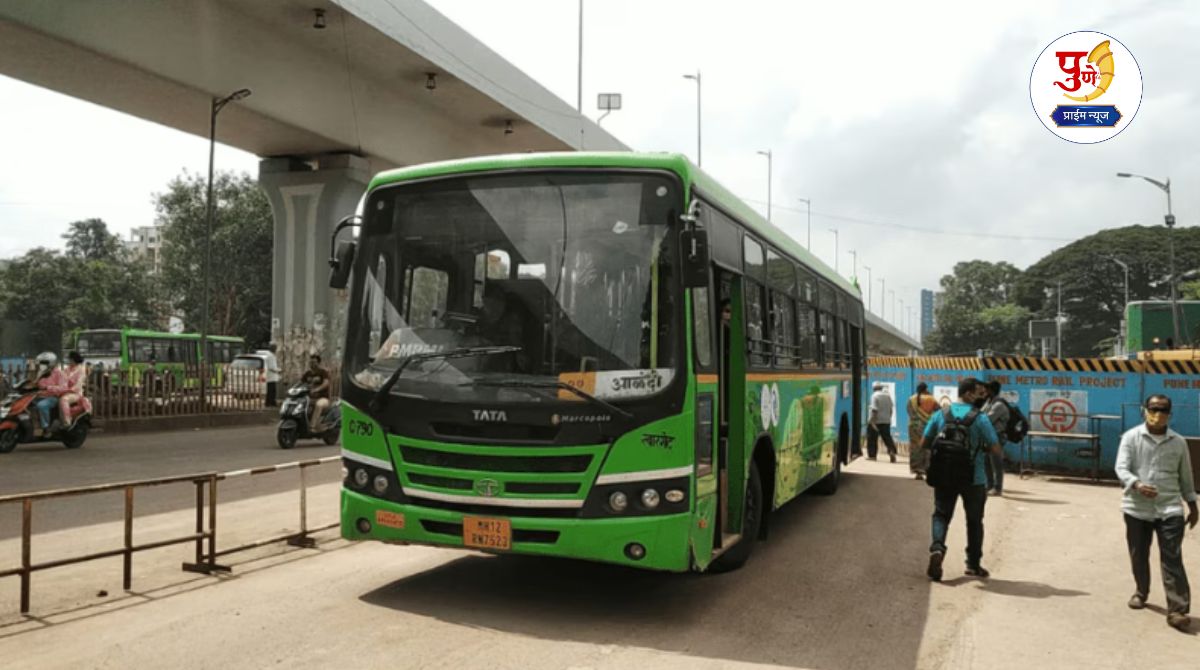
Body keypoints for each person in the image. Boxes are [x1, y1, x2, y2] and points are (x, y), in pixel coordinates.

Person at [1114, 394, 1198, 632]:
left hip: (1170, 508)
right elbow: (1121, 467)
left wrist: (1193, 505)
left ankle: (1177, 609)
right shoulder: (1131, 437)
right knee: (1139, 553)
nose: (1158, 414)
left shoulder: (1178, 442)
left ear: (1170, 414)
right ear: (1145, 410)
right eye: (1153, 409)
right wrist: (1137, 484)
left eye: (1163, 410)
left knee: (1172, 557)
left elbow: (1186, 476)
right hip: (1136, 508)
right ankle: (1141, 592)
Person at [924, 377, 1002, 581]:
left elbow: (924, 442)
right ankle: (973, 565)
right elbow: (995, 449)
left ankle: (937, 548)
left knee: (941, 515)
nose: (982, 397)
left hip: (944, 476)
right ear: (968, 394)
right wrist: (983, 448)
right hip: (974, 478)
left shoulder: (941, 414)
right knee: (974, 521)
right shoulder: (981, 418)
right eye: (979, 393)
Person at [981, 380, 1010, 496]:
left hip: (997, 436)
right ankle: (989, 485)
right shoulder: (989, 402)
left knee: (996, 463)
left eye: (987, 389)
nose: (984, 392)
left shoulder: (999, 405)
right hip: (989, 436)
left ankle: (998, 488)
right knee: (986, 461)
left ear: (992, 391)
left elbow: (986, 419)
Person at [907, 382, 940, 480]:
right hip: (927, 426)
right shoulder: (931, 399)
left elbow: (909, 412)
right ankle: (927, 469)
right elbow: (939, 411)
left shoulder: (911, 399)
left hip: (913, 427)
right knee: (927, 447)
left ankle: (917, 471)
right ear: (926, 389)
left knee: (915, 448)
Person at [32, 352, 66, 433]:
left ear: (51, 363)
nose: (41, 365)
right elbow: (36, 384)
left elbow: (62, 388)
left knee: (42, 405)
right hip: (39, 396)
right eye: (41, 363)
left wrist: (48, 387)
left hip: (53, 397)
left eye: (44, 363)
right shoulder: (41, 372)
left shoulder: (59, 373)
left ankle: (46, 427)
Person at [58, 351, 91, 429]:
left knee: (64, 399)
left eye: (70, 359)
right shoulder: (67, 369)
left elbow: (78, 384)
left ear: (74, 360)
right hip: (65, 392)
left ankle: (67, 422)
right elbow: (62, 380)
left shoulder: (81, 369)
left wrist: (68, 390)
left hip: (76, 393)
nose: (69, 361)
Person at [867, 383, 898, 462]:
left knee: (872, 438)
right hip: (886, 421)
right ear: (881, 388)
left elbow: (874, 410)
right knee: (887, 438)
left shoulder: (874, 396)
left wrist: (872, 421)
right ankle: (892, 451)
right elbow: (891, 409)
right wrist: (888, 418)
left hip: (876, 421)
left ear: (874, 389)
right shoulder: (887, 396)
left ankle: (872, 455)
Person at [301, 353, 332, 431]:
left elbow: (326, 383)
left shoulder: (323, 372)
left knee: (318, 405)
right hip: (309, 398)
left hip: (323, 398)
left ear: (318, 363)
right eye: (310, 362)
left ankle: (312, 427)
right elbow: (300, 383)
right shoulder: (307, 374)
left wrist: (317, 389)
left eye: (314, 362)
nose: (312, 364)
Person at [263, 343, 281, 407]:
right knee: (271, 390)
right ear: (273, 349)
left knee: (271, 390)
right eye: (275, 348)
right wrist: (278, 370)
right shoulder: (270, 356)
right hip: (271, 375)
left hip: (272, 376)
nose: (276, 350)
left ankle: (269, 402)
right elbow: (271, 367)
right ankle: (271, 402)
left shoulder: (271, 355)